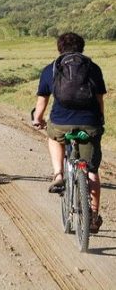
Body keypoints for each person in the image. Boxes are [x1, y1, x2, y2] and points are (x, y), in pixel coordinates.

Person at [32, 32, 106, 233]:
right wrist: (100, 122)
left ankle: (58, 174)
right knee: (91, 171)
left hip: (61, 123)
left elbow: (42, 104)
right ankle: (92, 216)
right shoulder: (93, 68)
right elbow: (100, 101)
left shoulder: (52, 68)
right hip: (89, 124)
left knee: (53, 137)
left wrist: (37, 120)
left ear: (59, 48)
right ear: (82, 48)